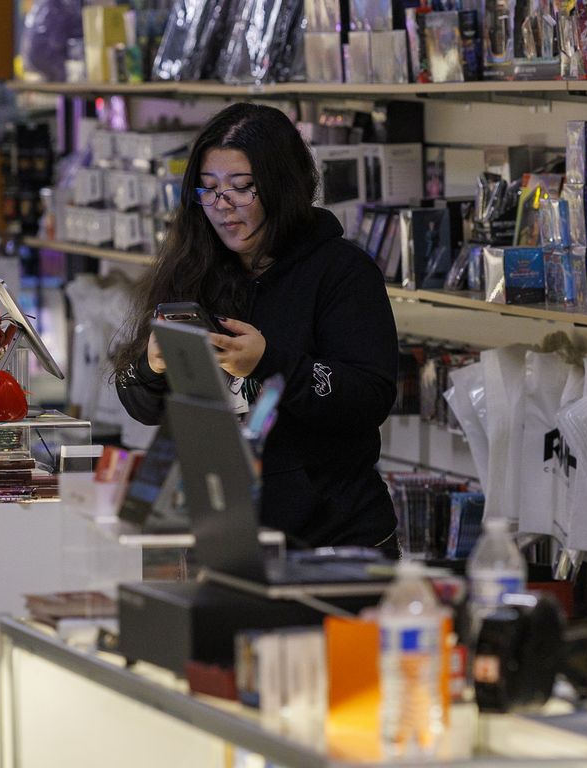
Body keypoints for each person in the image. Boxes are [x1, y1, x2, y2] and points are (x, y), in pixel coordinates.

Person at [113, 102, 401, 551]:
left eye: (242, 188)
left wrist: (269, 363)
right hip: (225, 530)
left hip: (334, 540)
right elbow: (140, 403)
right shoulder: (193, 267)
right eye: (208, 190)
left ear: (283, 186)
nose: (222, 206)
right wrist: (151, 367)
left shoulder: (343, 271)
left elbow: (368, 397)